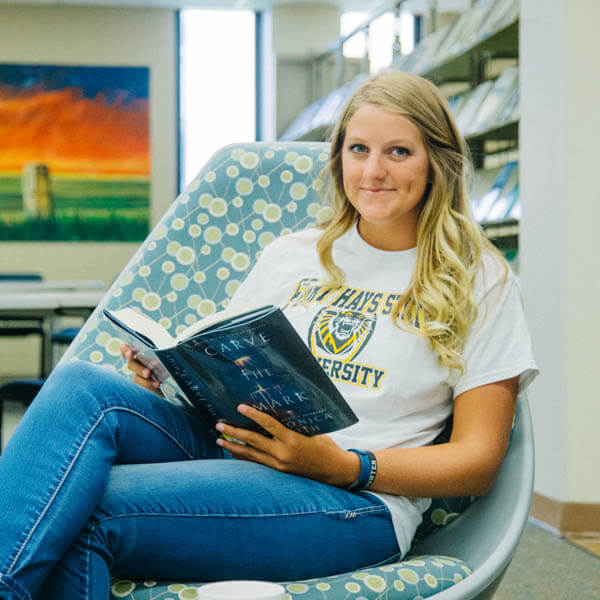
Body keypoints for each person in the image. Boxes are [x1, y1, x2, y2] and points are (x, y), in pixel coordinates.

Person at [0, 71, 537, 600]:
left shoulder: (479, 279)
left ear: (436, 163)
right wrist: (173, 374)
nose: (373, 171)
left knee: (82, 508)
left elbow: (478, 460)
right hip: (239, 447)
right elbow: (231, 369)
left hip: (350, 499)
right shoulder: (293, 254)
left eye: (398, 152)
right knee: (79, 386)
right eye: (358, 150)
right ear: (339, 158)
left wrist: (347, 465)